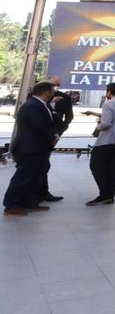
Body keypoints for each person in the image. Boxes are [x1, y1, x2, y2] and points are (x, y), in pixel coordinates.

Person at [3, 81, 57, 215]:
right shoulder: (32, 106)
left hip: (39, 148)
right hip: (29, 149)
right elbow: (38, 126)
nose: (53, 93)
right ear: (46, 92)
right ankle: (11, 205)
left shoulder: (41, 105)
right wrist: (52, 136)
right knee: (24, 177)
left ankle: (28, 202)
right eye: (52, 90)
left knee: (35, 177)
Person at [41, 75, 72, 202]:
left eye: (57, 85)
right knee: (39, 163)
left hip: (55, 131)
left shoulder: (64, 97)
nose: (55, 88)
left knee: (44, 162)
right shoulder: (37, 97)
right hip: (40, 134)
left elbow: (69, 115)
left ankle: (42, 191)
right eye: (52, 85)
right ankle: (39, 191)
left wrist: (62, 129)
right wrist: (52, 101)